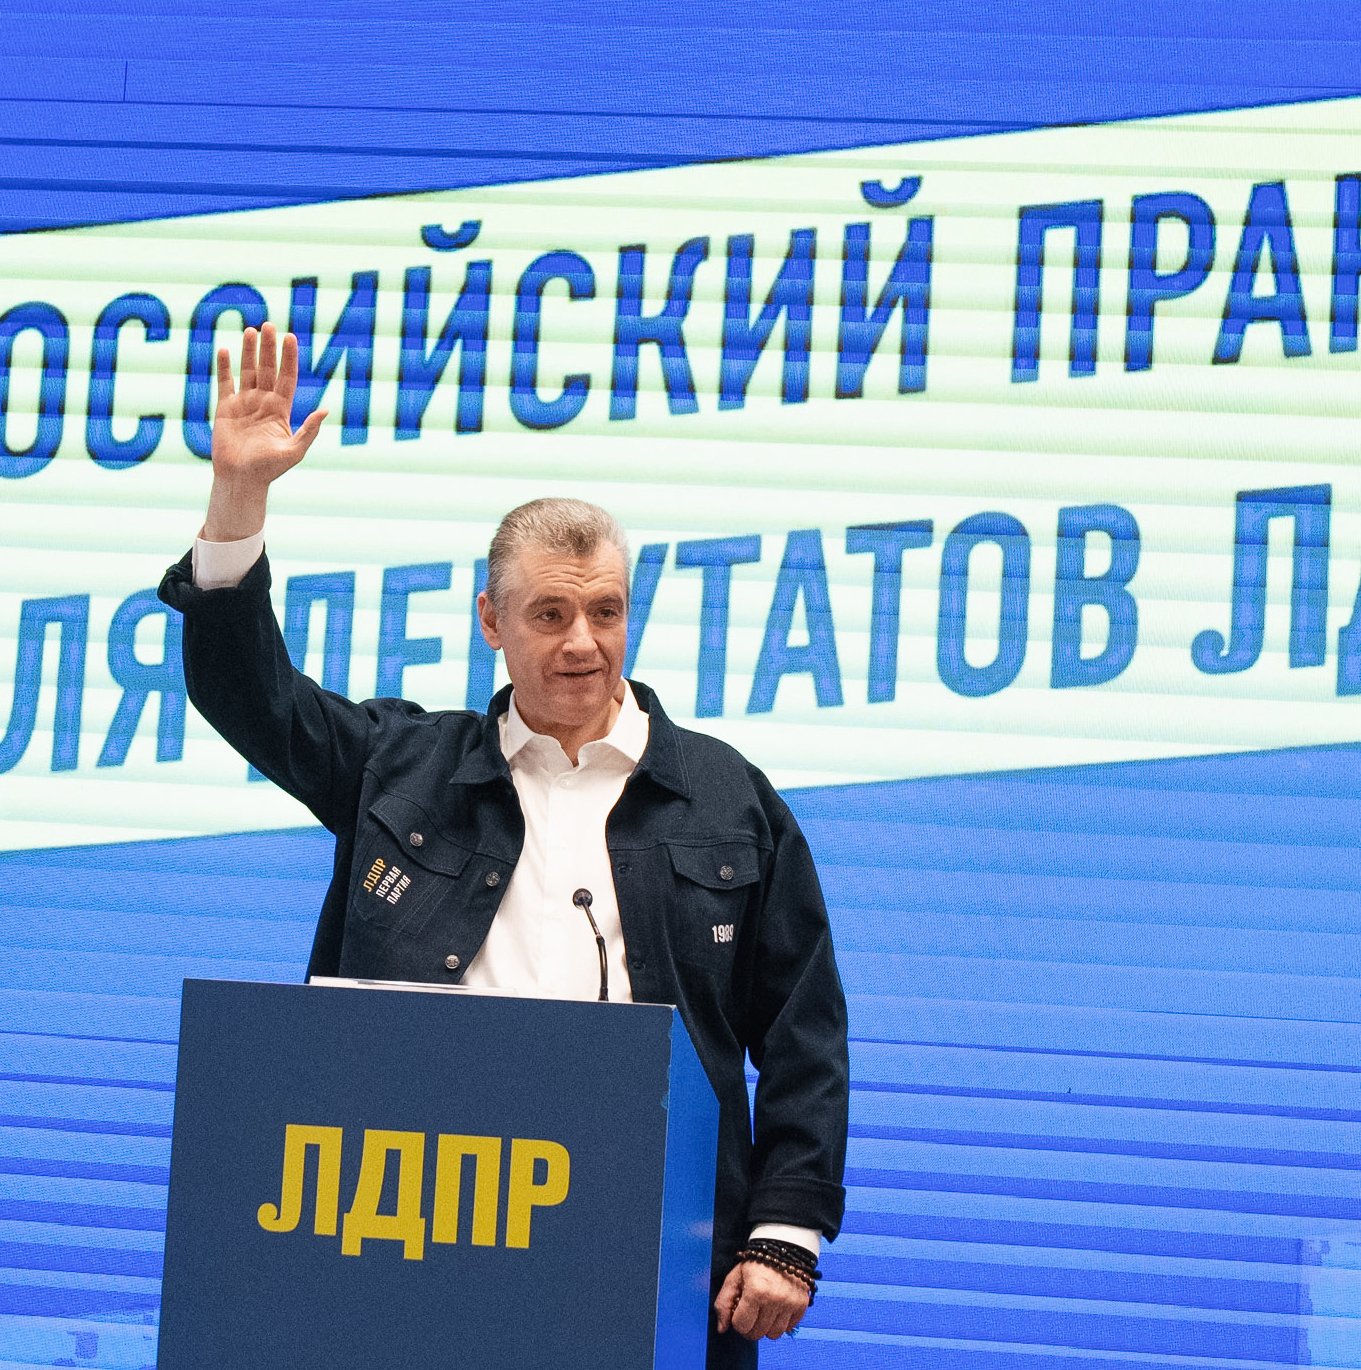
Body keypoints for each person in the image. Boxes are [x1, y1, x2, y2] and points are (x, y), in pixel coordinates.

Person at [156, 323, 847, 1362]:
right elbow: (247, 694)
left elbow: (802, 1026)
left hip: (647, 1237)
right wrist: (238, 497)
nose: (583, 642)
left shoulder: (724, 796)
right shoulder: (400, 767)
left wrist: (784, 1231)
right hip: (413, 1224)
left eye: (605, 611)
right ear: (491, 619)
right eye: (550, 613)